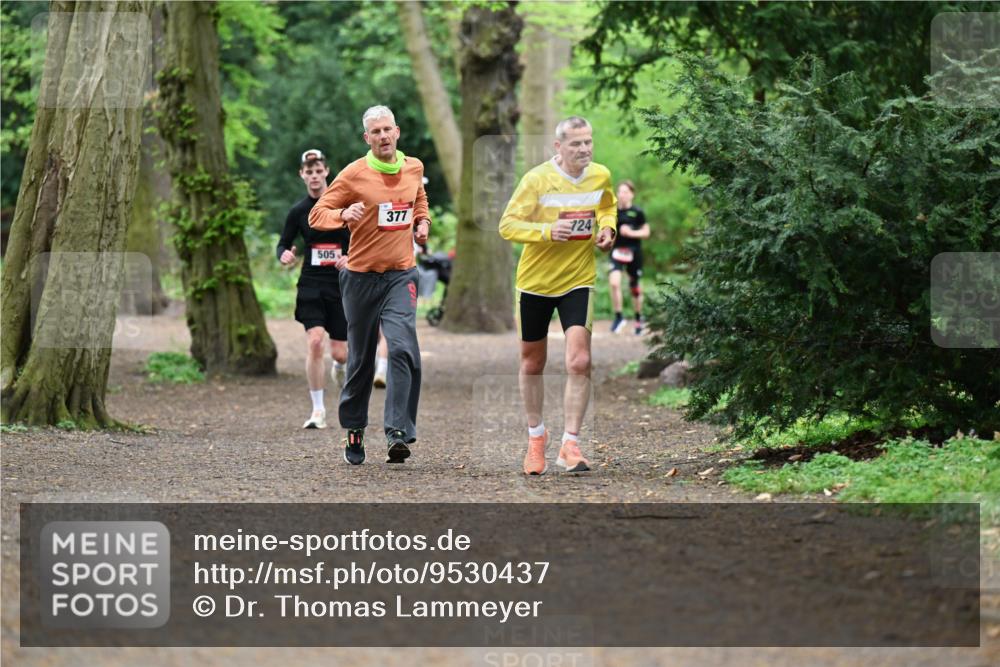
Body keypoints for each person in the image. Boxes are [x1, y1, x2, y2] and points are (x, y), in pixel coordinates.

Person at [309, 105, 431, 466]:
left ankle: (397, 431)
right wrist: (342, 215)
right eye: (375, 131)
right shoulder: (353, 174)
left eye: (387, 129)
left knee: (402, 347)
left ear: (397, 132)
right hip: (361, 277)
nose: (382, 136)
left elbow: (418, 201)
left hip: (401, 274)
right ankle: (354, 427)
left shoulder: (414, 167)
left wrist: (422, 223)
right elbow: (318, 214)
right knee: (360, 360)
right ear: (367, 138)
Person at [499, 116, 617, 475]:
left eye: (588, 142)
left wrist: (608, 228)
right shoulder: (536, 179)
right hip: (535, 282)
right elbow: (508, 225)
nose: (584, 149)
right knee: (532, 363)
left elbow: (607, 207)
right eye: (576, 144)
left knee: (579, 361)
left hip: (578, 280)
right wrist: (548, 231)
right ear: (558, 147)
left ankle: (571, 443)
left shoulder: (601, 176)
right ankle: (537, 437)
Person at [277, 149, 350, 429]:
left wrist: (349, 257)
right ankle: (318, 410)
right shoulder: (298, 211)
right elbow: (283, 243)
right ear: (302, 175)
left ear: (327, 171)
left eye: (319, 171)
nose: (314, 177)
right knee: (315, 341)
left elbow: (359, 241)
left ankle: (340, 367)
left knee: (341, 353)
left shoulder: (343, 206)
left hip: (341, 285)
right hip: (311, 283)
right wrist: (284, 255)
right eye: (309, 172)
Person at [608, 180, 650, 335]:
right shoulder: (613, 212)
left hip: (634, 253)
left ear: (632, 194)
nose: (622, 195)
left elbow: (646, 232)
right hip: (617, 251)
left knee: (636, 289)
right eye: (620, 192)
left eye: (626, 192)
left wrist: (631, 233)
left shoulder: (638, 212)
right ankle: (619, 316)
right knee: (614, 283)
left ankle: (639, 319)